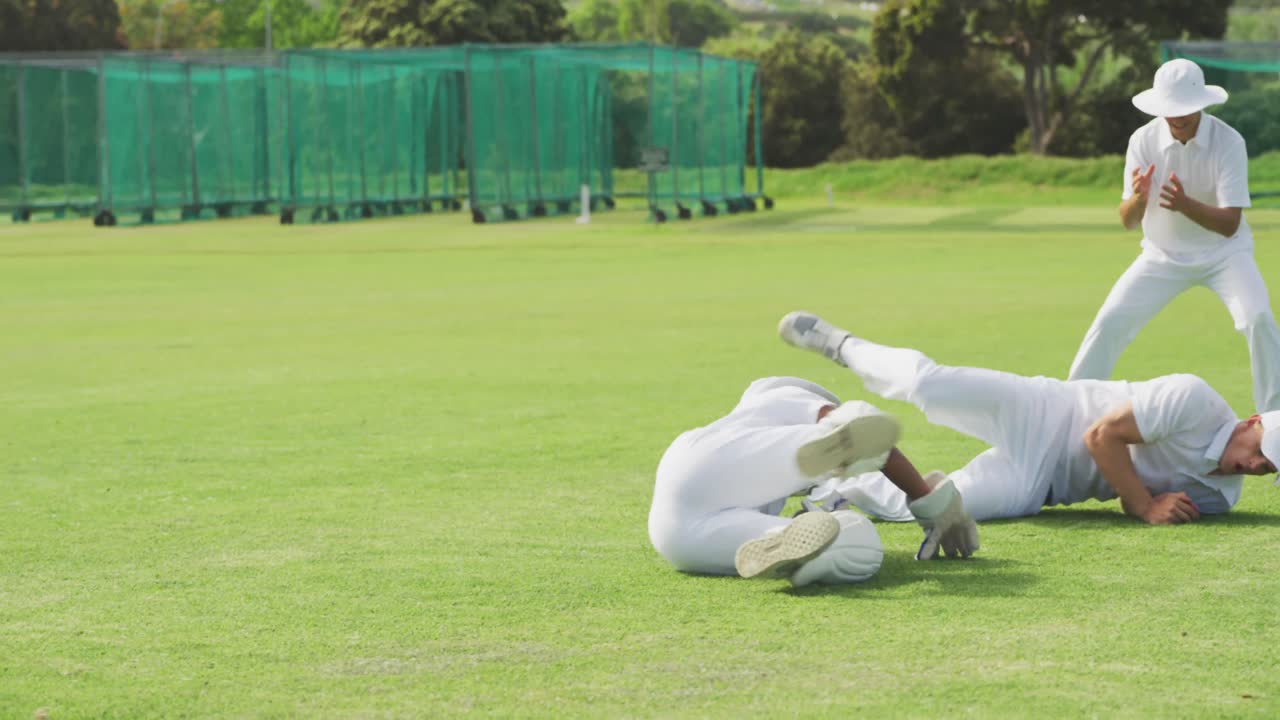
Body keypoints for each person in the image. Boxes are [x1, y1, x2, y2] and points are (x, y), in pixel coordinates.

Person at [779, 311, 1280, 526]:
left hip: (1040, 488)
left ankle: (833, 485)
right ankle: (841, 346)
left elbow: (1135, 497)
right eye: (1263, 450)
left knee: (926, 508)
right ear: (1253, 420)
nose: (1259, 466)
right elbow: (1101, 437)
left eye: (1271, 468)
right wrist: (1146, 505)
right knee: (929, 386)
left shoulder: (1220, 498)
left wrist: (1148, 506)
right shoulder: (1194, 400)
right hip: (1043, 412)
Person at [1067, 58, 1280, 413]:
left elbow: (1229, 223)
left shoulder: (1229, 142)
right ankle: (1065, 416)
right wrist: (1139, 197)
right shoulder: (1142, 140)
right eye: (1170, 109)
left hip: (1225, 255)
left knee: (1258, 319)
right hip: (1161, 256)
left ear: (1201, 105)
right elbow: (1128, 221)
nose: (1177, 117)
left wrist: (1183, 205)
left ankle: (1275, 429)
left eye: (1185, 109)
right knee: (1111, 320)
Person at [648, 376, 980, 587]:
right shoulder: (776, 398)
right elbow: (878, 445)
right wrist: (931, 502)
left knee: (857, 546)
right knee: (849, 429)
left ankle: (803, 552)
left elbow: (869, 489)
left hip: (676, 540)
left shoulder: (759, 455)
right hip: (702, 464)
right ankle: (839, 439)